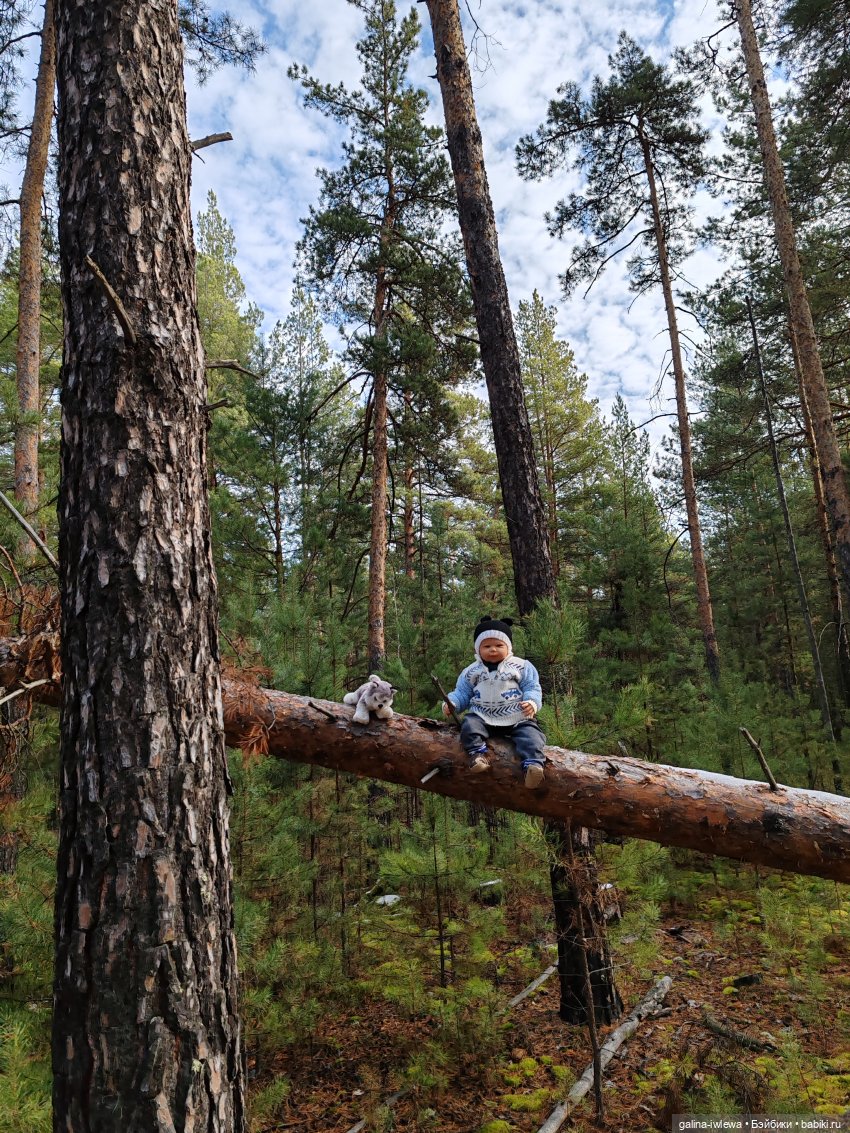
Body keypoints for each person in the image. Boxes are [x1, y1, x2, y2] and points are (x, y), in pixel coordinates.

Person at [442, 615, 546, 789]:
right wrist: (452, 703)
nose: (493, 650)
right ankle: (477, 755)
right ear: (478, 648)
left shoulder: (521, 666)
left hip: (517, 716)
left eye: (499, 645)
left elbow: (532, 687)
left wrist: (532, 702)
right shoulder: (471, 671)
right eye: (487, 646)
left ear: (509, 647)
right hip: (482, 716)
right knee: (469, 725)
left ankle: (533, 765)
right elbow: (462, 693)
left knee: (532, 735)